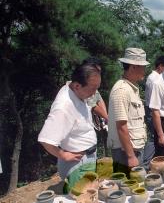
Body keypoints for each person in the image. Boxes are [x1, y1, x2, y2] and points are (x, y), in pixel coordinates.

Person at [38, 62, 101, 191]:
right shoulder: (64, 107)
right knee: (81, 201)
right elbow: (46, 139)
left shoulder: (73, 88)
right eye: (92, 89)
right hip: (78, 164)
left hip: (87, 158)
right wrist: (63, 155)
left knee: (88, 197)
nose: (95, 94)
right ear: (77, 86)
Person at [107, 48, 149, 174]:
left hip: (133, 148)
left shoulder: (131, 88)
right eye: (142, 67)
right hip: (125, 152)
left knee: (136, 187)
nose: (144, 71)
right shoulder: (121, 91)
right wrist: (131, 156)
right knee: (128, 188)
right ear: (132, 67)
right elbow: (121, 126)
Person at [143, 56, 164, 167]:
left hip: (150, 109)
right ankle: (148, 163)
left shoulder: (153, 77)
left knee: (154, 136)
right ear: (160, 66)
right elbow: (156, 101)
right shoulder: (155, 79)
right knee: (154, 137)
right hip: (152, 111)